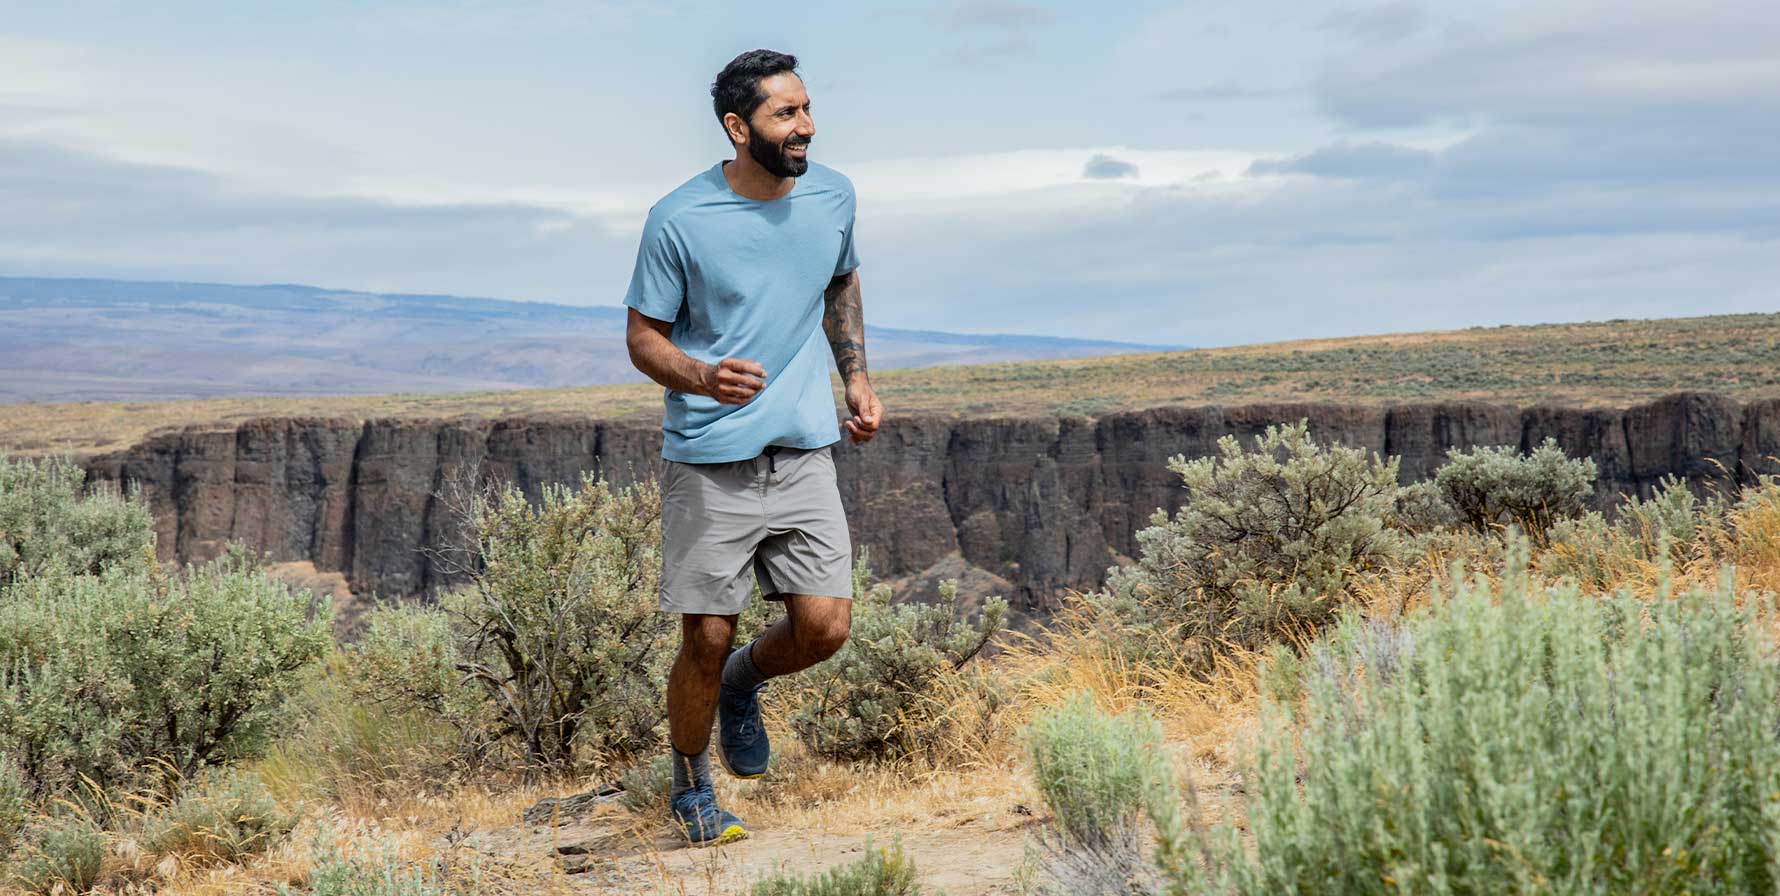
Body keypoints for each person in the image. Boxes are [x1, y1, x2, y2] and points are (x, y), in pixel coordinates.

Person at [621, 48, 883, 847]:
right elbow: (641, 337)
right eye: (785, 114)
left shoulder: (833, 194)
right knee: (705, 632)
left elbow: (839, 279)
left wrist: (858, 380)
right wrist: (702, 375)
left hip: (802, 447)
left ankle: (743, 686)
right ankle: (691, 786)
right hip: (710, 456)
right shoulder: (679, 218)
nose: (804, 127)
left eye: (805, 109)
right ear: (739, 128)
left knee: (825, 627)